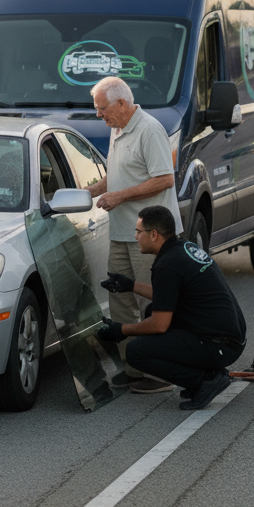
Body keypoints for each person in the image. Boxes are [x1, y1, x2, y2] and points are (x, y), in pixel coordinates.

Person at [97, 204, 246, 407]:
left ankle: (205, 380)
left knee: (136, 352)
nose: (135, 237)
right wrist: (130, 285)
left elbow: (160, 325)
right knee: (152, 309)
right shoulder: (183, 248)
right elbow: (168, 295)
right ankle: (208, 372)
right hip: (228, 336)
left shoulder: (167, 264)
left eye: (138, 232)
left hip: (220, 344)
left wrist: (121, 330)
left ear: (154, 235)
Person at [87, 75, 182, 393]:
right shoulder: (117, 129)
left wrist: (119, 196)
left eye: (102, 109)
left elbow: (164, 180)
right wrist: (90, 191)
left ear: (121, 103)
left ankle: (159, 373)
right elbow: (118, 176)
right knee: (120, 299)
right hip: (123, 232)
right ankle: (134, 368)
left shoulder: (149, 129)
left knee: (151, 303)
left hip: (151, 236)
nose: (99, 115)